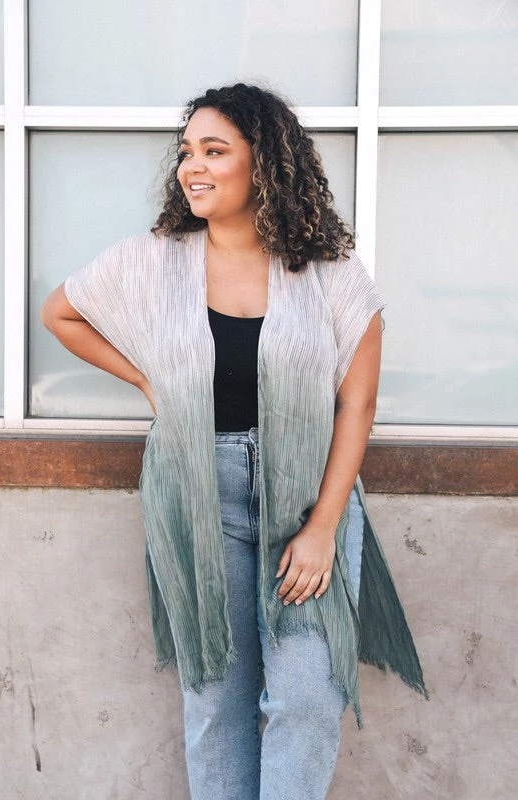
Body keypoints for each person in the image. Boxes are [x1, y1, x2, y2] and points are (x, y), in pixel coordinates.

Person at [42, 83, 427, 800]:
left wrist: (322, 528)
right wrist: (148, 379)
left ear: (265, 162)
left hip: (309, 495)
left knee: (307, 698)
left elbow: (357, 403)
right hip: (197, 492)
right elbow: (60, 314)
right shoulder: (150, 261)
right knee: (216, 701)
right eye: (187, 151)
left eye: (214, 151)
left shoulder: (331, 274)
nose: (193, 166)